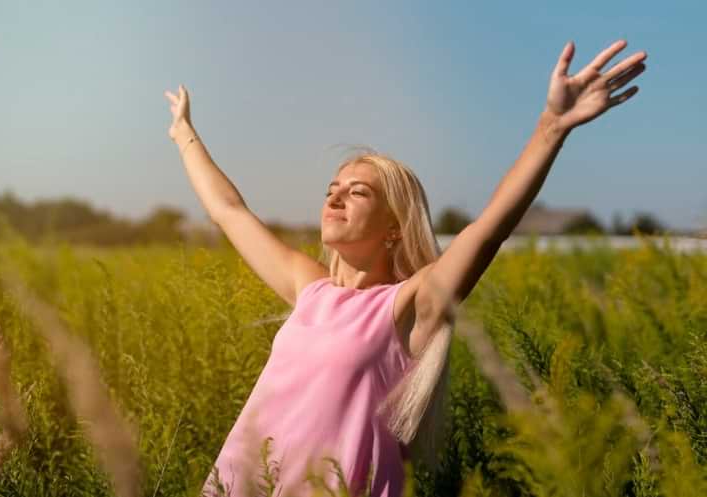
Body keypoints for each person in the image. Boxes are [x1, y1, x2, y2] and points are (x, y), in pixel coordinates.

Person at [164, 38, 647, 497]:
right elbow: (229, 211)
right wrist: (184, 133)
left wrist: (551, 128)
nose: (335, 197)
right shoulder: (309, 289)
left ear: (394, 227)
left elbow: (487, 231)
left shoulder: (408, 307)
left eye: (357, 192)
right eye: (332, 189)